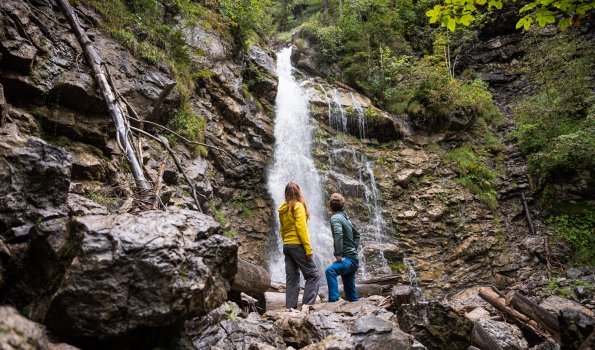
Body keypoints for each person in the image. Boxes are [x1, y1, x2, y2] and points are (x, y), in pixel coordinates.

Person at [278, 181, 320, 309]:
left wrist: (286, 242)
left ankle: (290, 308)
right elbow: (302, 229)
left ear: (286, 194)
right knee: (313, 275)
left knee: (292, 279)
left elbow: (282, 229)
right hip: (297, 245)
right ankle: (307, 307)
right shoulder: (298, 206)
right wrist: (308, 249)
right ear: (298, 192)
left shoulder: (283, 208)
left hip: (287, 246)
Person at [325, 193, 360, 302]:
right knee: (350, 290)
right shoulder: (346, 219)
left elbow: (338, 234)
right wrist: (353, 249)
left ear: (330, 207)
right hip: (353, 259)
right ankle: (355, 304)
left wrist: (339, 254)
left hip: (348, 259)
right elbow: (357, 234)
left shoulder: (335, 218)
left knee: (330, 271)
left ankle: (333, 301)